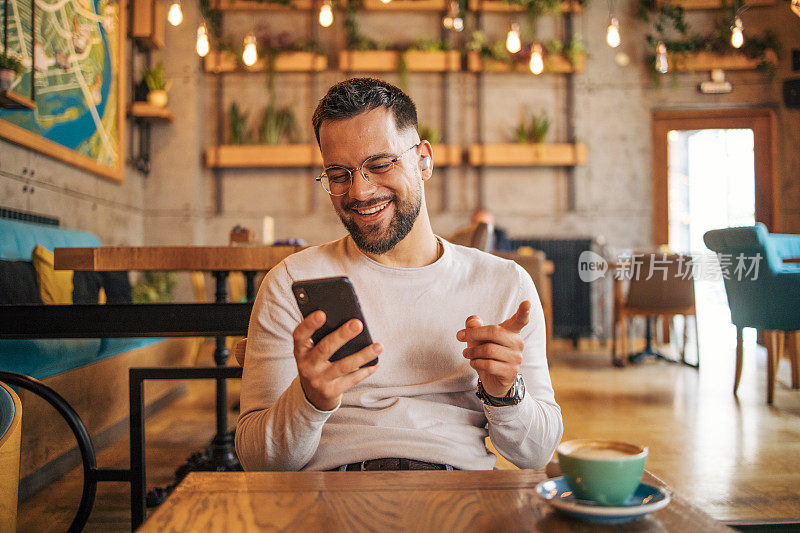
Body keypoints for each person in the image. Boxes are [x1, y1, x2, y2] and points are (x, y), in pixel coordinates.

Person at [235, 78, 562, 472]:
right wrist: (309, 401)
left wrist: (505, 394)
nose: (359, 191)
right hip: (331, 493)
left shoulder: (504, 283)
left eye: (379, 164)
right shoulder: (290, 283)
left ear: (424, 160)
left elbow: (537, 452)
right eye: (338, 174)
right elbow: (258, 460)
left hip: (459, 490)